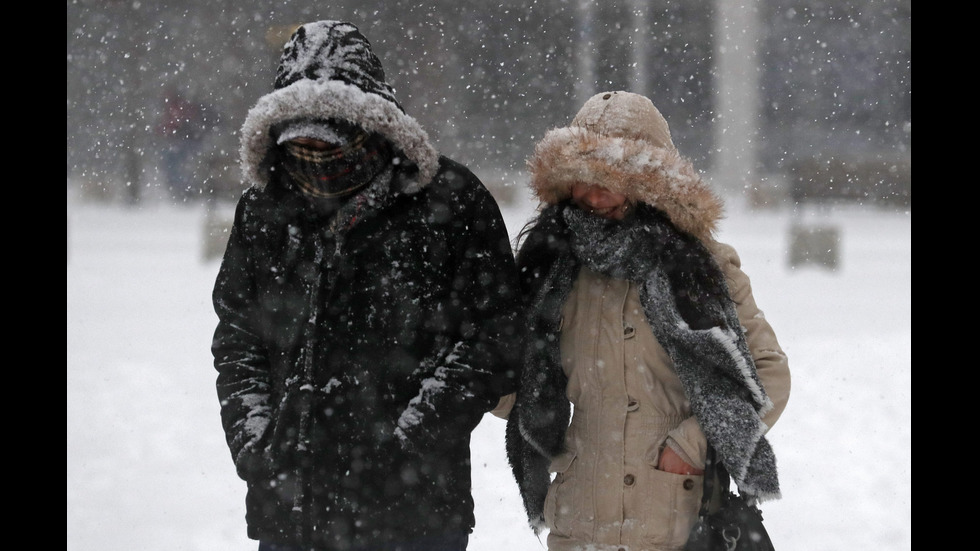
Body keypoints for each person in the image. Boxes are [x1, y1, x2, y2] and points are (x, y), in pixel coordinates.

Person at [211, 21, 520, 551]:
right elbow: (239, 337)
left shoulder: (450, 202)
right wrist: (254, 443)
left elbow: (492, 340)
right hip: (291, 511)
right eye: (298, 143)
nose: (313, 160)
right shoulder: (264, 208)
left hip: (415, 512)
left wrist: (407, 443)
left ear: (370, 127)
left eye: (329, 138)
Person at [499, 91, 790, 551]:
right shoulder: (550, 270)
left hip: (677, 522)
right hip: (579, 523)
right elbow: (515, 392)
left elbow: (768, 374)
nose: (591, 197)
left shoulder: (702, 268)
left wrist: (689, 446)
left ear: (650, 184)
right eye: (580, 179)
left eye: (609, 181)